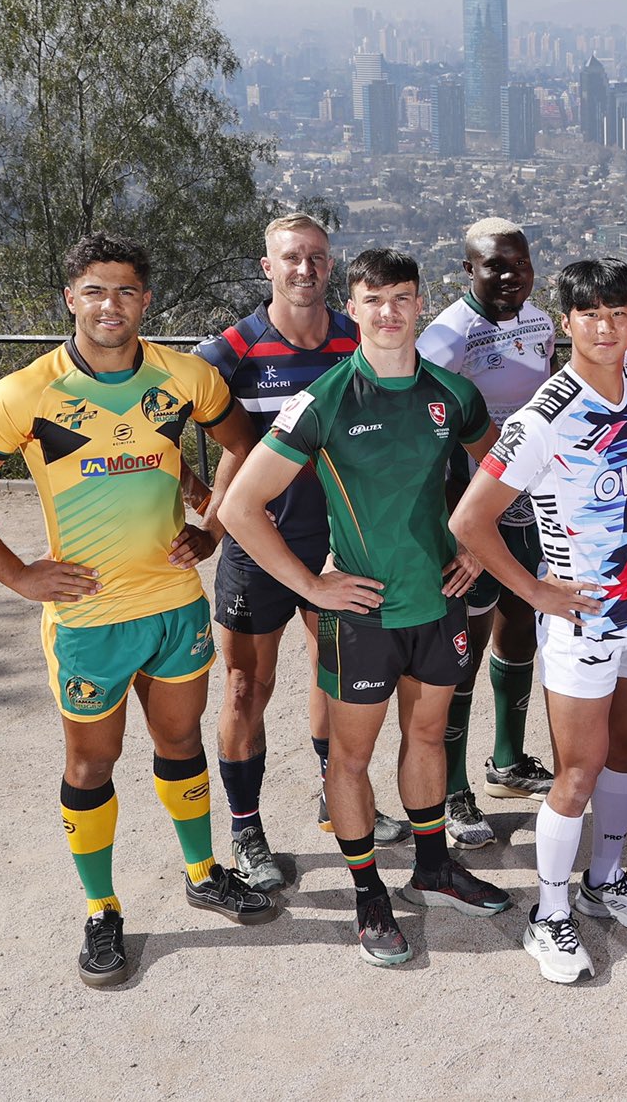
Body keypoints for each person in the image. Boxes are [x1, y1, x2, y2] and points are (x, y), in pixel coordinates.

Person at [0, 232, 278, 990]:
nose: (109, 305)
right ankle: (101, 907)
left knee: (181, 746)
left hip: (173, 605)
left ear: (145, 301)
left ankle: (201, 870)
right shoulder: (27, 392)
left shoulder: (183, 378)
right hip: (87, 618)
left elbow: (244, 447)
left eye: (124, 291)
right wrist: (19, 575)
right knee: (93, 763)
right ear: (70, 299)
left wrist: (210, 527)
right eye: (94, 290)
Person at [222, 248, 511, 967]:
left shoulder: (452, 392)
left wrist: (477, 542)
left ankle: (433, 868)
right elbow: (239, 505)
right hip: (362, 614)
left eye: (403, 299)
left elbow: (503, 467)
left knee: (428, 735)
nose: (389, 312)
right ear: (353, 309)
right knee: (349, 759)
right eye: (374, 300)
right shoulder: (323, 400)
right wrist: (312, 587)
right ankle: (367, 894)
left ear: (420, 306)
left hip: (437, 605)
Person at [453, 260, 627, 983]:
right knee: (578, 772)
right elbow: (471, 519)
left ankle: (603, 879)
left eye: (619, 312)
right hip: (583, 625)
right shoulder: (542, 417)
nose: (607, 326)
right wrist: (535, 593)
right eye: (591, 314)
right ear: (567, 323)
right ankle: (548, 915)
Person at [195, 213, 409, 891]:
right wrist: (206, 518)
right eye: (292, 257)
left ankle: (334, 797)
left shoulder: (357, 341)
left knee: (335, 679)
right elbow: (150, 430)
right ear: (268, 267)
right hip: (258, 552)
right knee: (245, 688)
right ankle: (246, 829)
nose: (305, 269)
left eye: (317, 257)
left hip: (338, 554)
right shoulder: (226, 351)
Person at [417, 218, 560, 847]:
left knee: (519, 624)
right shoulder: (444, 340)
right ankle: (453, 790)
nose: (510, 275)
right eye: (494, 265)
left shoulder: (540, 321)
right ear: (467, 269)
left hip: (530, 504)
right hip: (470, 511)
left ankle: (506, 760)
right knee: (462, 652)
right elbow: (424, 442)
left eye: (519, 263)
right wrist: (458, 530)